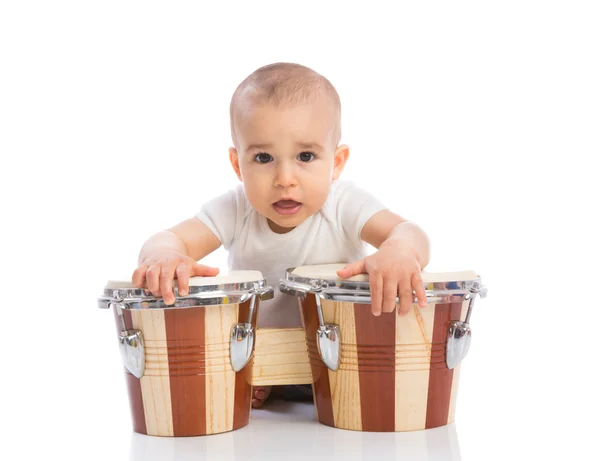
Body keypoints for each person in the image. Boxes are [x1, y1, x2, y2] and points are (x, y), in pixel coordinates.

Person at [131, 62, 430, 408]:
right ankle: (268, 383)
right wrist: (164, 256)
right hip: (263, 362)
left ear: (336, 162)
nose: (284, 178)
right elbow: (168, 239)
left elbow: (410, 232)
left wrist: (398, 249)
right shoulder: (237, 208)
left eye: (305, 156)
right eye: (263, 158)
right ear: (236, 164)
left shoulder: (342, 203)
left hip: (342, 363)